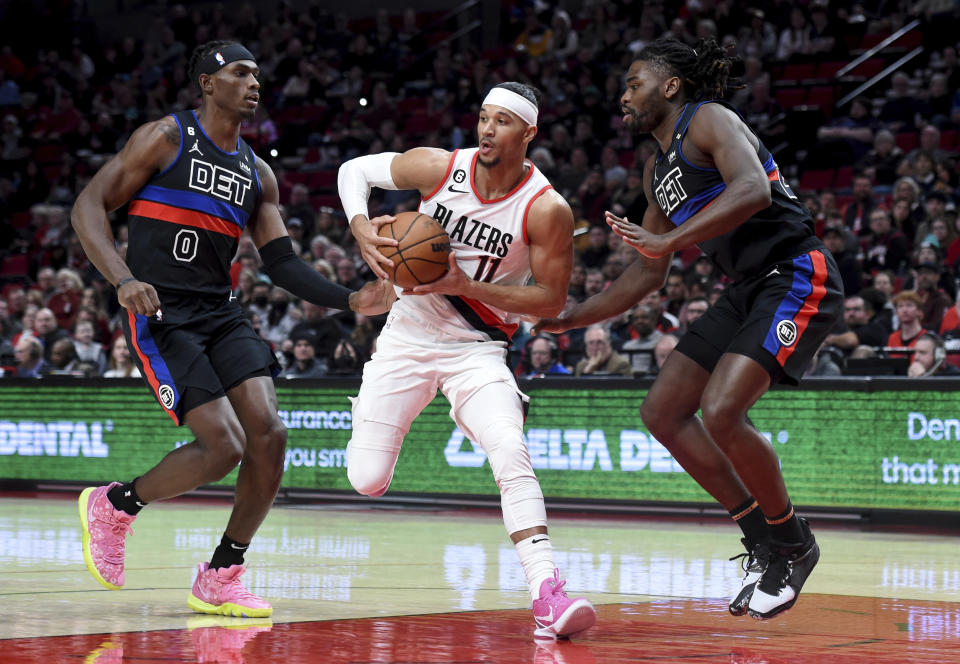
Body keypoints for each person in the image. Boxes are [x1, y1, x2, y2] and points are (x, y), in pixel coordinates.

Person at [71, 41, 394, 618]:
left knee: (269, 435)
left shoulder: (256, 171)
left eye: (257, 75)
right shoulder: (165, 138)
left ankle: (222, 573)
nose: (254, 83)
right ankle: (116, 505)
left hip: (221, 312)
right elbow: (89, 205)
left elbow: (283, 263)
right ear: (206, 82)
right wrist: (122, 279)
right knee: (224, 446)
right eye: (240, 73)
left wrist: (351, 298)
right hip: (161, 312)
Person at [534, 38, 843, 620]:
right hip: (746, 288)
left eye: (634, 84)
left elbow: (752, 189)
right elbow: (648, 273)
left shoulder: (709, 120)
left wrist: (670, 238)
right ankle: (761, 535)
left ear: (669, 86)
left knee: (723, 411)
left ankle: (794, 542)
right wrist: (571, 317)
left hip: (798, 272)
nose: (623, 96)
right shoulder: (656, 171)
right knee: (662, 411)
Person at [337, 81, 595, 639]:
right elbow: (354, 170)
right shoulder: (439, 167)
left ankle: (548, 591)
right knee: (366, 478)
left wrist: (462, 282)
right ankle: (371, 402)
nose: (486, 129)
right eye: (482, 117)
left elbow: (549, 301)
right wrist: (361, 227)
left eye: (502, 121)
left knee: (510, 451)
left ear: (529, 133)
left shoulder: (546, 208)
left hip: (475, 350)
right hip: (405, 336)